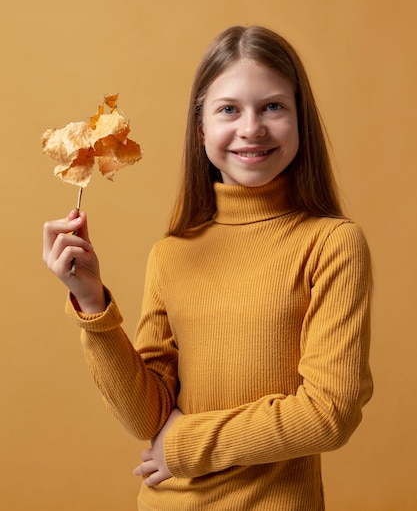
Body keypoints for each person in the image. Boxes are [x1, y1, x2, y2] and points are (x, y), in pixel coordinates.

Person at [43, 25, 373, 510]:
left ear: (301, 120)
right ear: (201, 130)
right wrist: (91, 303)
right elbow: (147, 416)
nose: (251, 128)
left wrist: (183, 446)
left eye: (273, 107)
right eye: (228, 110)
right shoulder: (172, 253)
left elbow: (330, 412)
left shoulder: (331, 244)